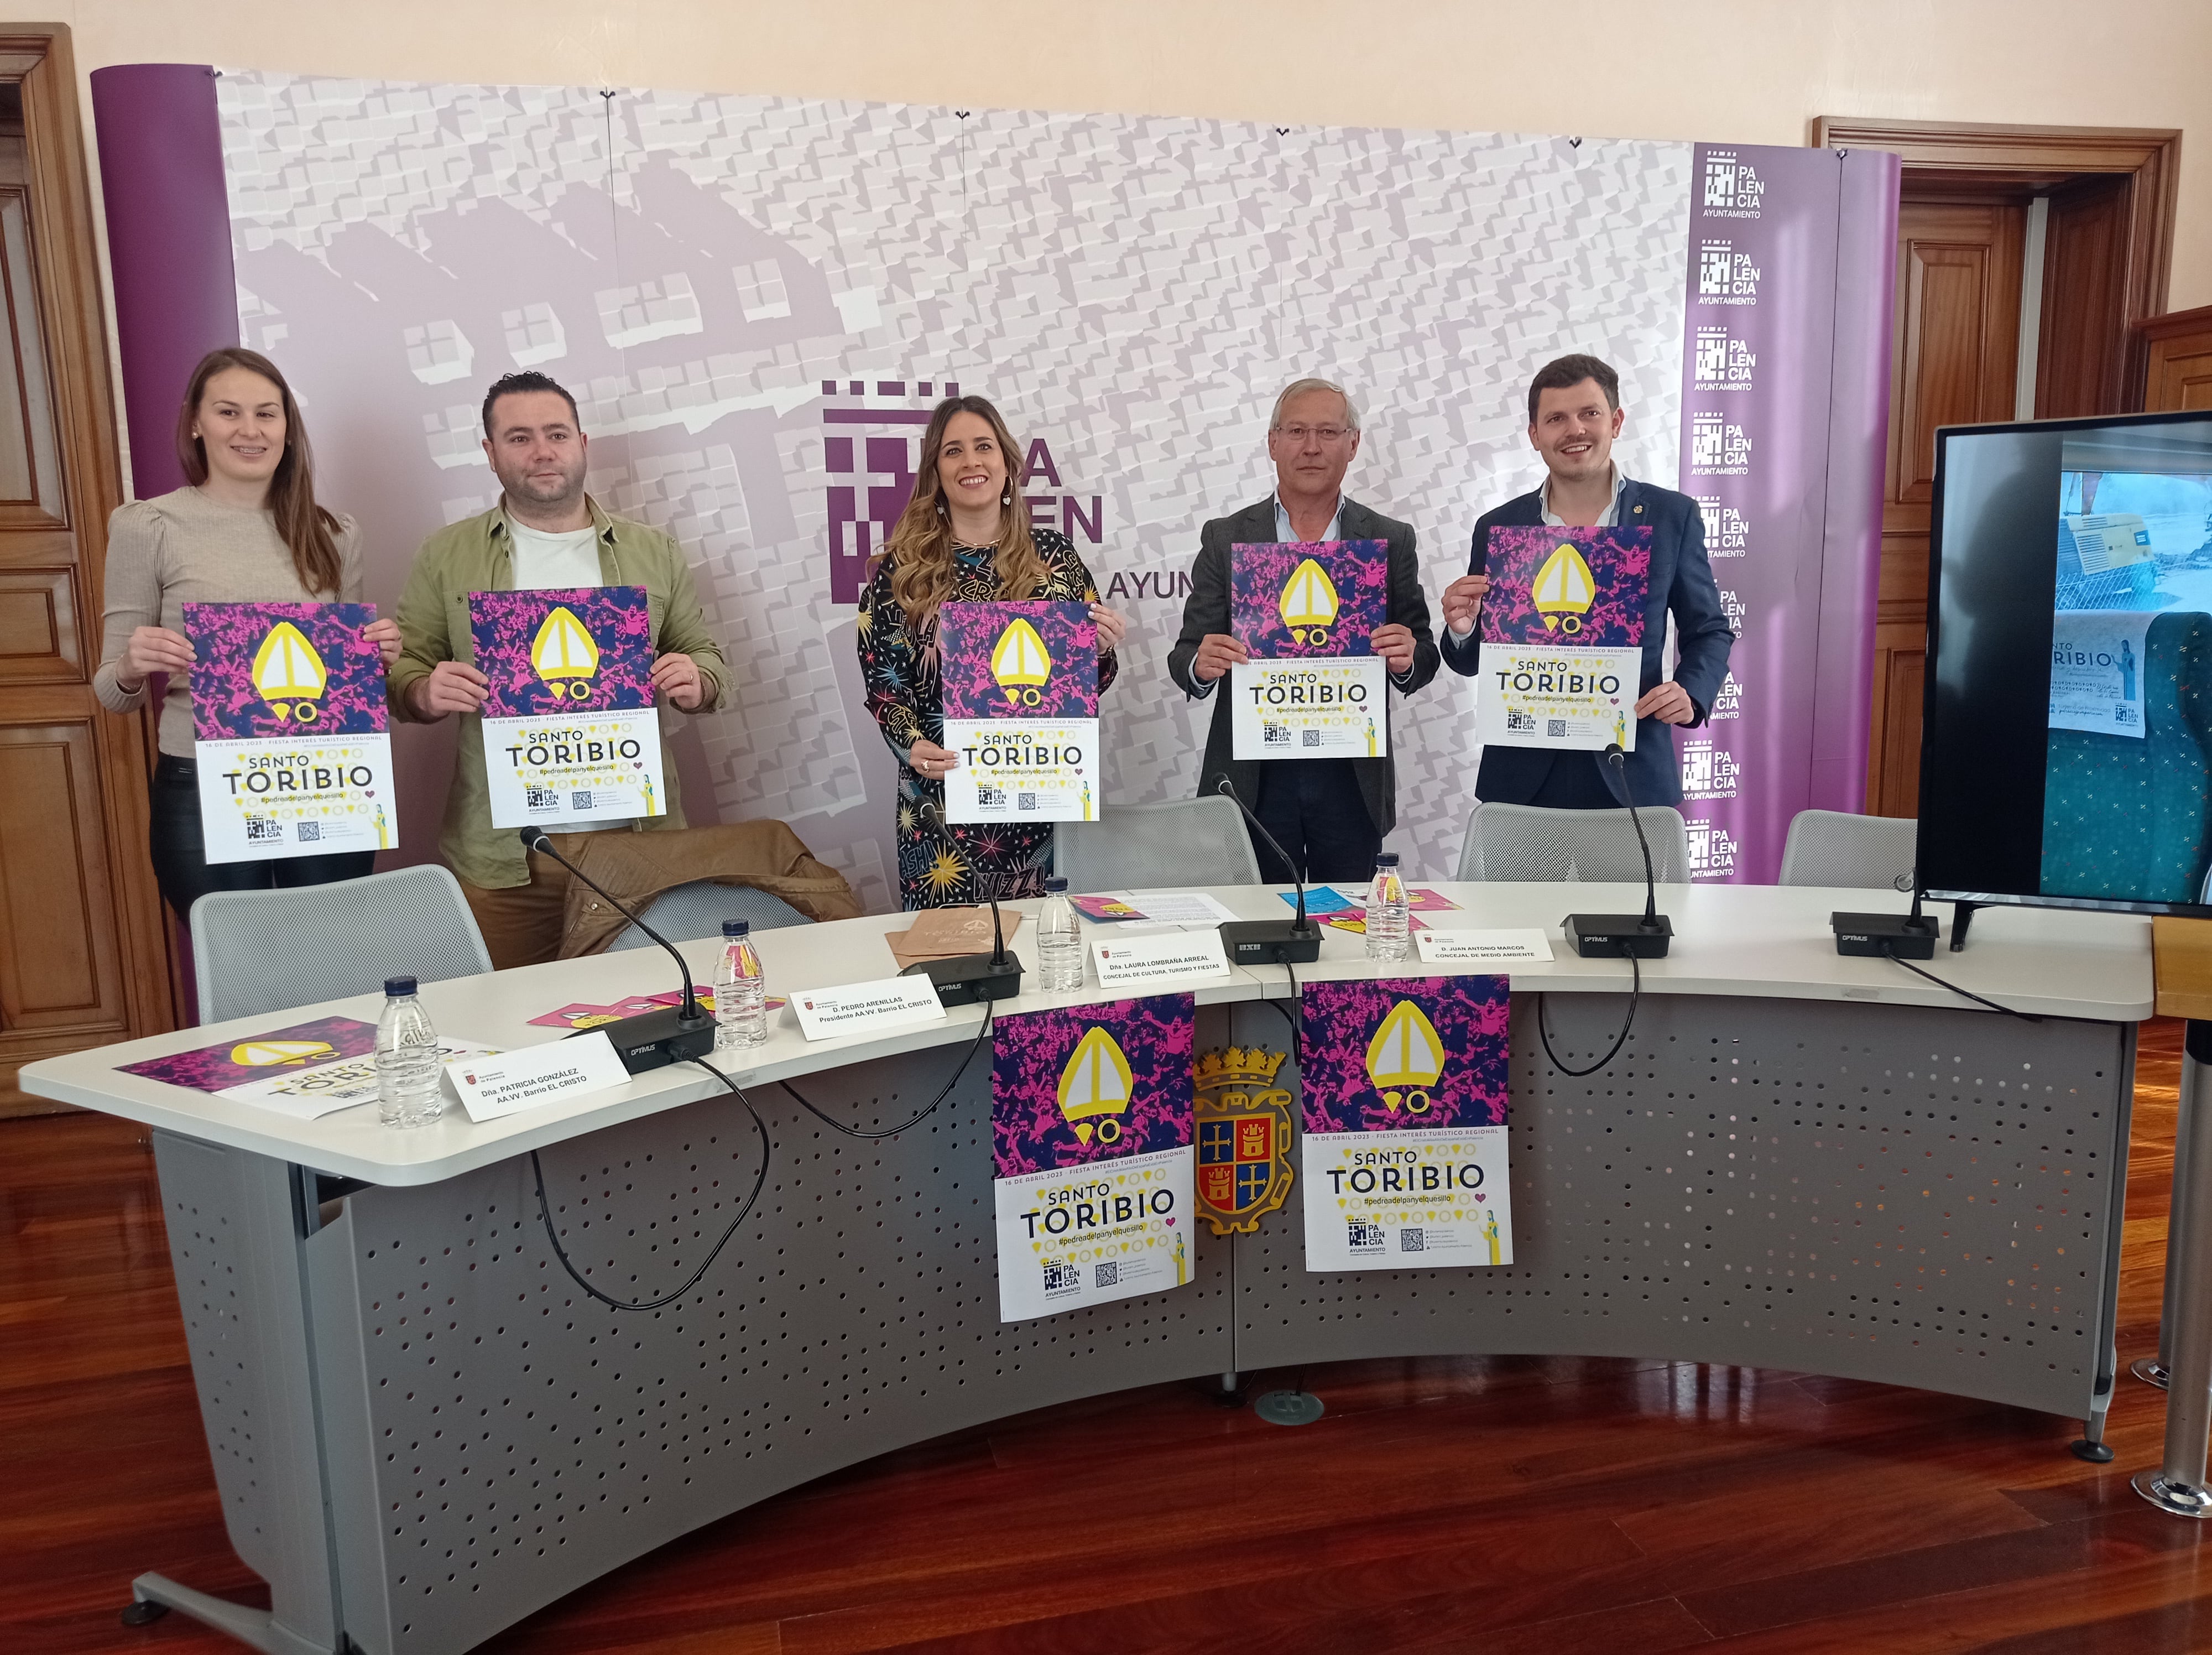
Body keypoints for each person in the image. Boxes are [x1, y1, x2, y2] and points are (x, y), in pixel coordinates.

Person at [388, 371, 728, 970]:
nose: (542, 451)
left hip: (634, 841)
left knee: (643, 1009)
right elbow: (404, 672)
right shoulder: (447, 553)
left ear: (582, 443)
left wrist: (696, 679)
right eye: (519, 438)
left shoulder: (653, 550)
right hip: (504, 854)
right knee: (510, 1029)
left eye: (556, 434)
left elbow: (704, 655)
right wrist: (423, 688)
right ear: (490, 453)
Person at [92, 347, 401, 924]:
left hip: (323, 776)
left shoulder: (335, 533)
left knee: (330, 960)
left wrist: (376, 659)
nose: (250, 430)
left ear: (288, 428)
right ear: (195, 422)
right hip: (203, 783)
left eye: (267, 413)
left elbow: (348, 687)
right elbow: (111, 691)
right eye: (229, 412)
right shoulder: (148, 525)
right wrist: (134, 666)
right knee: (239, 968)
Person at [859, 394, 1128, 908]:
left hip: (1044, 803)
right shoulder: (902, 571)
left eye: (984, 447)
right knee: (956, 967)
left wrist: (1099, 651)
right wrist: (912, 745)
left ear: (1007, 465)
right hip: (944, 810)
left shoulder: (1055, 556)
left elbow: (1089, 683)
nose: (971, 462)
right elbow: (882, 684)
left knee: (1052, 963)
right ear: (936, 472)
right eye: (953, 451)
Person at [1166, 377, 1438, 883]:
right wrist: (1200, 666)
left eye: (1328, 432)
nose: (1311, 447)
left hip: (1351, 774)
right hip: (1254, 776)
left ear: (1352, 444)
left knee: (1352, 932)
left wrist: (1408, 656)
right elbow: (1185, 656)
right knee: (1260, 930)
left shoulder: (1388, 539)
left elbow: (1423, 652)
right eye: (1296, 431)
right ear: (1273, 443)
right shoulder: (1226, 538)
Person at [1441, 353, 1734, 808]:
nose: (1574, 429)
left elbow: (1709, 629)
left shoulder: (1671, 517)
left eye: (1589, 414)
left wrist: (1692, 692)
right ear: (1535, 435)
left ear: (1616, 422)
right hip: (1521, 780)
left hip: (1631, 774)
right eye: (1556, 418)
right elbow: (1475, 659)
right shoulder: (1500, 527)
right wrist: (1463, 632)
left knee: (1643, 886)